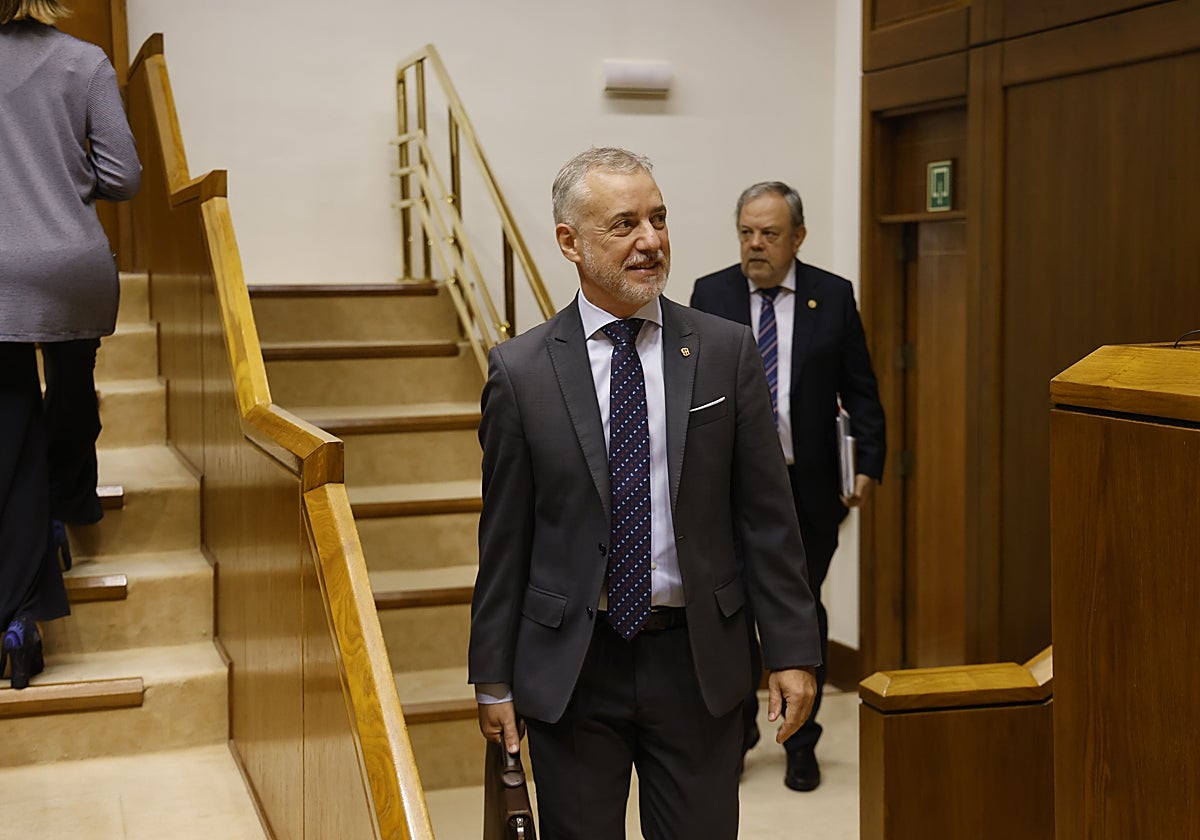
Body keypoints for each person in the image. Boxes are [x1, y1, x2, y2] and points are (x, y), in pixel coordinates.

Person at [468, 147, 821, 839]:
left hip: (697, 660)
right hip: (574, 664)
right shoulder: (521, 371)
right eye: (624, 224)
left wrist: (791, 650)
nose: (651, 241)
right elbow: (505, 538)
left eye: (658, 219)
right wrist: (493, 676)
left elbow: (768, 519)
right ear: (570, 241)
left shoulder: (724, 351)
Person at [690, 181, 886, 792]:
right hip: (729, 490)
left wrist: (868, 462)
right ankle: (742, 731)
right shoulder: (711, 294)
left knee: (801, 609)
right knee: (736, 611)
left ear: (797, 237)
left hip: (808, 488)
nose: (755, 244)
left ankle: (801, 740)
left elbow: (861, 389)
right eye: (746, 232)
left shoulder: (833, 295)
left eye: (769, 234)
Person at [0, 0, 141, 688]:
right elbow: (124, 178)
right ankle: (70, 505)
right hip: (71, 267)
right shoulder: (84, 61)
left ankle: (20, 614)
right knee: (72, 381)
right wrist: (66, 178)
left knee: (11, 423)